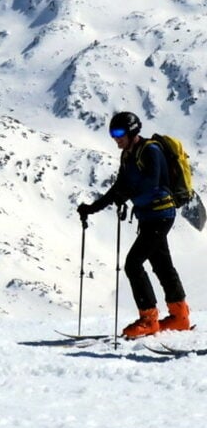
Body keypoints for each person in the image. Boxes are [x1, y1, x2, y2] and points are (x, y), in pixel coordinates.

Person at [77, 111, 191, 338]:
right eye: (112, 133)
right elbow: (118, 188)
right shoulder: (128, 155)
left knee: (133, 264)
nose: (115, 138)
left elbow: (151, 182)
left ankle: (149, 319)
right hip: (149, 216)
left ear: (132, 131)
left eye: (119, 133)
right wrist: (92, 208)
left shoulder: (151, 151)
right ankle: (179, 317)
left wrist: (126, 194)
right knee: (161, 264)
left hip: (161, 214)